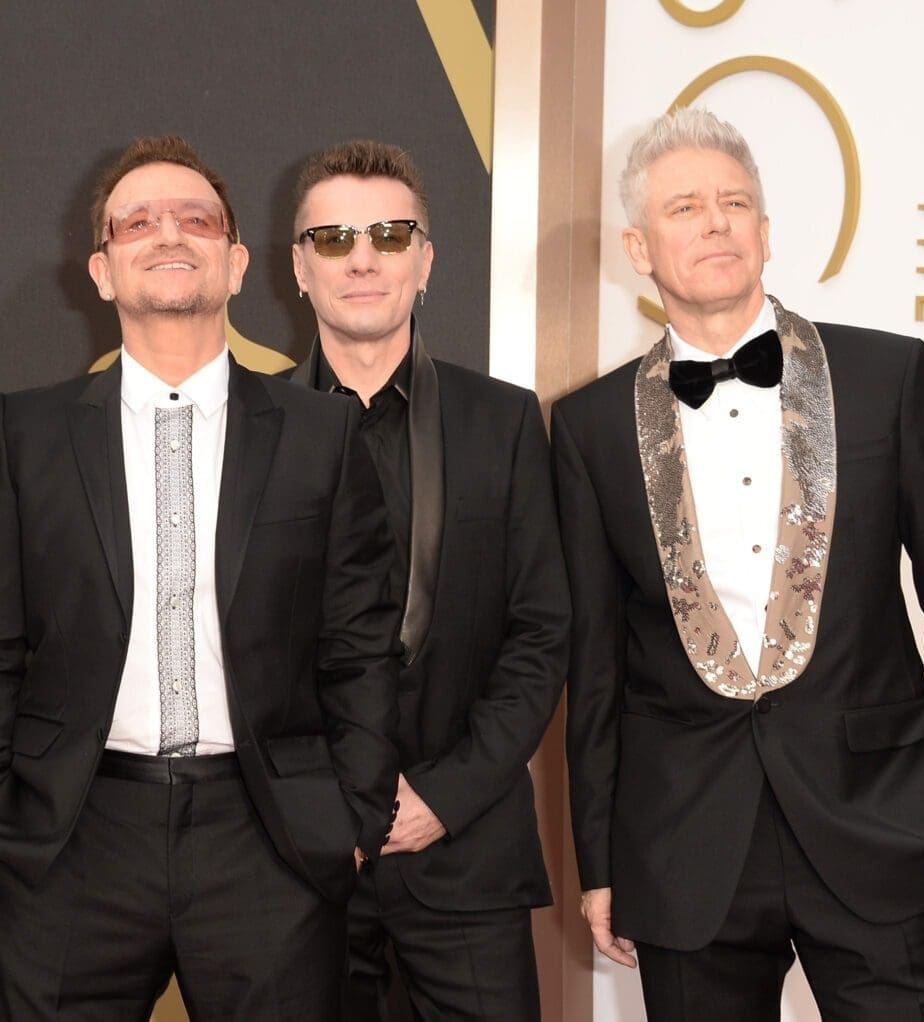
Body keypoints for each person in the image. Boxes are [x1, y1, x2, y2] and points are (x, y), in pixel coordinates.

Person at [553, 107, 924, 1020]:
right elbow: (595, 663)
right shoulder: (589, 425)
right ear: (639, 248)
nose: (715, 222)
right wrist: (600, 860)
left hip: (883, 824)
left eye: (734, 203)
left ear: (764, 231)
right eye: (685, 207)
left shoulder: (887, 377)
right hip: (686, 853)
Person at [0, 135, 401, 1019]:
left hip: (267, 836)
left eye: (196, 219)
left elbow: (360, 646)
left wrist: (352, 820)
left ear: (237, 263)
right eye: (138, 222)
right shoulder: (24, 435)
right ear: (101, 270)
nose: (169, 234)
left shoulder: (322, 434)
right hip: (71, 835)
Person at [286, 140, 569, 1020]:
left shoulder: (505, 422)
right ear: (298, 269)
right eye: (334, 238)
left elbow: (541, 632)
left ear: (426, 260)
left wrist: (445, 795)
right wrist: (326, 803)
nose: (362, 259)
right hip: (299, 864)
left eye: (389, 234)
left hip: (468, 855)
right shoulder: (254, 429)